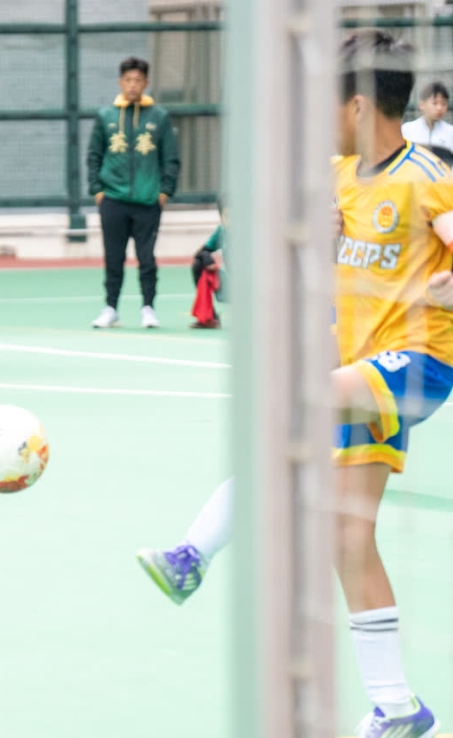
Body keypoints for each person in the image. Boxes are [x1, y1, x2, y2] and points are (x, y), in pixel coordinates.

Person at [136, 32, 453, 738]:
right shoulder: (338, 176)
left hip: (416, 364)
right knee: (348, 539)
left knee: (284, 402)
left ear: (358, 105)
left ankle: (192, 556)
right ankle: (400, 709)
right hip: (360, 368)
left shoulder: (426, 177)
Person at [87, 57, 180, 329]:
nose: (132, 85)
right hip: (113, 200)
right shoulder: (106, 116)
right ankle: (111, 308)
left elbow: (170, 158)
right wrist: (97, 191)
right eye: (128, 80)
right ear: (120, 82)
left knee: (147, 259)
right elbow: (94, 156)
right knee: (113, 257)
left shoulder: (159, 117)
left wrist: (164, 192)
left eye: (138, 80)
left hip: (148, 201)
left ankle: (148, 308)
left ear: (146, 83)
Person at [189, 197, 226, 329]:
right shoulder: (222, 231)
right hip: (232, 284)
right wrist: (208, 259)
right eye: (227, 216)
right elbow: (201, 252)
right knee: (199, 265)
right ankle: (210, 317)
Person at [401, 81, 453, 160]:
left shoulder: (450, 132)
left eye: (444, 103)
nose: (439, 108)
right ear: (422, 105)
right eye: (435, 103)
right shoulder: (407, 129)